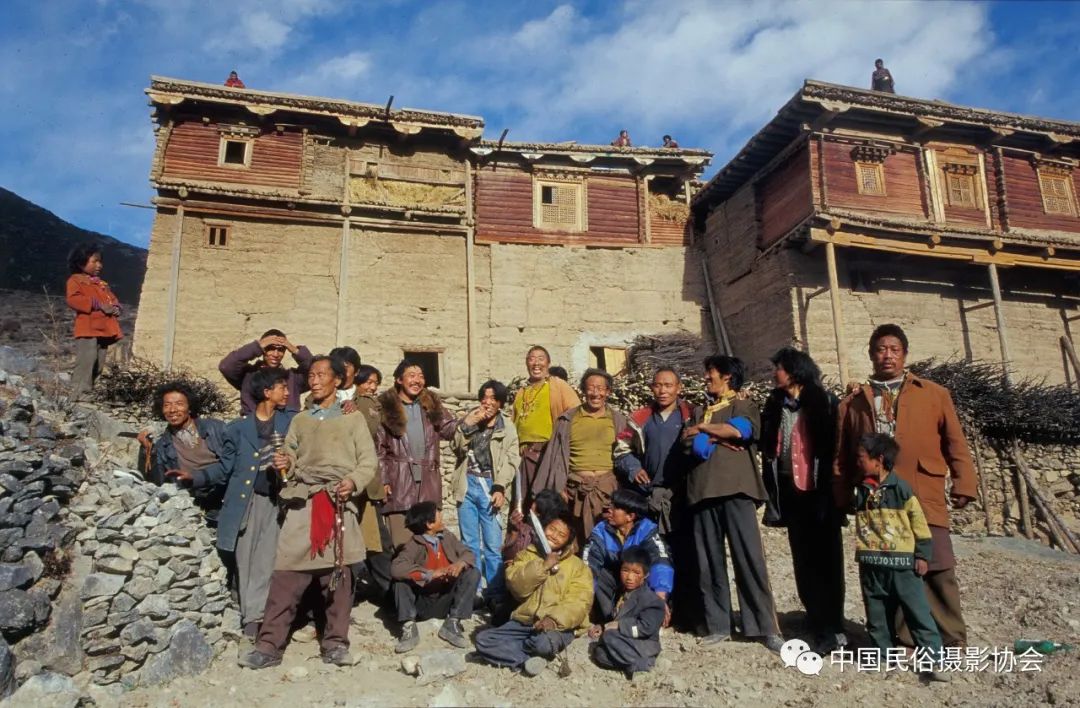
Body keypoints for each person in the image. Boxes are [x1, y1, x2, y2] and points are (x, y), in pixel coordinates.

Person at [834, 324, 978, 648]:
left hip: (923, 493)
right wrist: (842, 496)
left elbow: (955, 443)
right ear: (871, 355)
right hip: (879, 503)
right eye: (881, 349)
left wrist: (964, 481)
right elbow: (841, 455)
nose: (887, 355)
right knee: (891, 566)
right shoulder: (853, 403)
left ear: (904, 355)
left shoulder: (934, 394)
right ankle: (906, 639)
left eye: (894, 349)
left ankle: (952, 639)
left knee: (938, 565)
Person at [239, 355, 377, 669]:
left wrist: (352, 481)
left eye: (321, 375)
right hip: (304, 500)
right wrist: (284, 461)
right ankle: (269, 645)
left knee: (339, 577)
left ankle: (335, 644)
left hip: (338, 500)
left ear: (338, 381)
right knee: (286, 574)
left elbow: (368, 462)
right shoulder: (300, 420)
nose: (313, 380)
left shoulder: (352, 418)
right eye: (311, 375)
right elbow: (289, 450)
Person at [170, 368, 294, 642]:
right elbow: (225, 468)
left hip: (277, 501)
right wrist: (195, 478)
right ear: (266, 392)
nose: (287, 392)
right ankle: (249, 613)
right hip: (245, 503)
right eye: (282, 387)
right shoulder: (236, 429)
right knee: (245, 559)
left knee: (267, 560)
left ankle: (254, 619)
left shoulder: (292, 423)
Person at [684, 355, 783, 652]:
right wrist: (712, 433)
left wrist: (705, 431)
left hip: (737, 489)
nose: (706, 378)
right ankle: (719, 625)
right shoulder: (699, 410)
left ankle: (764, 626)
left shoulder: (742, 405)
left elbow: (741, 431)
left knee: (749, 558)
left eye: (710, 372)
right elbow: (687, 444)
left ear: (727, 376)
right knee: (708, 562)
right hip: (702, 491)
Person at [760, 348, 846, 653]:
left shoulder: (823, 402)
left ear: (794, 372)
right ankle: (814, 614)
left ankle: (832, 626)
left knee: (827, 560)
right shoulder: (775, 405)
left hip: (819, 494)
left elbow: (836, 446)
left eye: (779, 368)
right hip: (791, 492)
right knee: (802, 558)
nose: (774, 374)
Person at [852, 434, 948, 682]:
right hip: (872, 565)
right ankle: (881, 657)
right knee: (876, 614)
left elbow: (919, 524)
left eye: (862, 457)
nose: (858, 462)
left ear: (879, 460)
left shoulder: (902, 490)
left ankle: (934, 660)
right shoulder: (862, 490)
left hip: (902, 566)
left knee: (917, 613)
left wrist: (922, 555)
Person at [473, 516, 593, 676]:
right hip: (524, 622)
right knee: (482, 641)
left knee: (542, 644)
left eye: (561, 535)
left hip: (556, 626)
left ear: (568, 541)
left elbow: (580, 602)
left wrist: (553, 620)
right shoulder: (526, 555)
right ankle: (526, 660)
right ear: (543, 529)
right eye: (551, 529)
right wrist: (543, 566)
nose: (554, 536)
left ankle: (522, 652)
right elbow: (517, 587)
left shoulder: (577, 567)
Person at [533, 368, 638, 543]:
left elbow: (626, 455)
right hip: (574, 491)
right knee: (574, 539)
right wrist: (558, 488)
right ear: (583, 390)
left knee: (609, 539)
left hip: (607, 490)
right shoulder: (567, 420)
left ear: (608, 392)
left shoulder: (618, 420)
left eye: (600, 388)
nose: (595, 393)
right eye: (591, 388)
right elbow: (553, 457)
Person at [377, 359, 464, 549]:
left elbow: (449, 430)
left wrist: (468, 421)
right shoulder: (386, 407)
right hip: (399, 481)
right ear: (399, 380)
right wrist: (383, 480)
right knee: (401, 544)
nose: (417, 380)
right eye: (412, 375)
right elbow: (380, 448)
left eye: (421, 376)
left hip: (427, 481)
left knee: (430, 543)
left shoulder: (431, 405)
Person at [450, 380, 520, 603]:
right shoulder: (471, 420)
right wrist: (467, 426)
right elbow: (456, 447)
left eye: (493, 398)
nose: (487, 402)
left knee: (492, 543)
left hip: (490, 486)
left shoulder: (506, 427)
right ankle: (474, 589)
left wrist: (500, 487)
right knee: (469, 542)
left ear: (500, 403)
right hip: (467, 484)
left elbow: (511, 460)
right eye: (484, 397)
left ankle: (495, 592)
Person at [390, 502, 481, 652]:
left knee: (473, 572)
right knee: (400, 582)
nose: (442, 518)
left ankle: (452, 622)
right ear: (429, 524)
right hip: (422, 603)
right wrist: (429, 574)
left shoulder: (447, 537)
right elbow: (396, 568)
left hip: (445, 599)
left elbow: (468, 553)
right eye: (439, 515)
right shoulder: (413, 544)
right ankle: (409, 626)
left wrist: (460, 564)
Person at [583, 489, 673, 625]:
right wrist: (584, 600)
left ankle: (644, 617)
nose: (609, 510)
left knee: (644, 574)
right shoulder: (601, 530)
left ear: (630, 517)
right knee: (598, 575)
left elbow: (661, 562)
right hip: (616, 582)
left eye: (615, 508)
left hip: (638, 584)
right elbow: (589, 564)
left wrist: (660, 597)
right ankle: (609, 619)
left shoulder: (647, 530)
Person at [512, 346, 580, 511]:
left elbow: (576, 415)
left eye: (541, 359)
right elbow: (514, 422)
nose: (536, 363)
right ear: (526, 363)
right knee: (524, 504)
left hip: (548, 453)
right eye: (531, 359)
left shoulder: (558, 386)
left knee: (545, 503)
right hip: (524, 456)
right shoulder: (522, 392)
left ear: (548, 363)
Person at [588, 545, 666, 678]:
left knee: (609, 637)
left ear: (646, 575)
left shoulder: (652, 601)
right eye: (625, 570)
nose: (629, 577)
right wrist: (602, 626)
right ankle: (632, 665)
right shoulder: (620, 592)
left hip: (642, 644)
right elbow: (617, 615)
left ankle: (642, 665)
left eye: (636, 573)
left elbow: (645, 628)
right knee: (599, 653)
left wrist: (618, 626)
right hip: (624, 641)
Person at [65, 243, 122, 400]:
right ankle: (79, 393)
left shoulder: (101, 284)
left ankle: (92, 391)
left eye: (100, 261)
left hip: (103, 329)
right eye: (94, 261)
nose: (99, 265)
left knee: (99, 361)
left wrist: (116, 307)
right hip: (88, 328)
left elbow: (113, 299)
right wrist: (97, 304)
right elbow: (73, 299)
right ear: (80, 262)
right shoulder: (75, 280)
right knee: (87, 360)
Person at [219, 329, 313, 415]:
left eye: (280, 350)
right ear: (263, 350)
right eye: (270, 348)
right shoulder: (248, 375)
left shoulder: (293, 378)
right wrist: (257, 346)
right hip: (252, 427)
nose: (275, 354)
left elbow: (314, 371)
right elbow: (226, 366)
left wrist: (294, 349)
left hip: (285, 429)